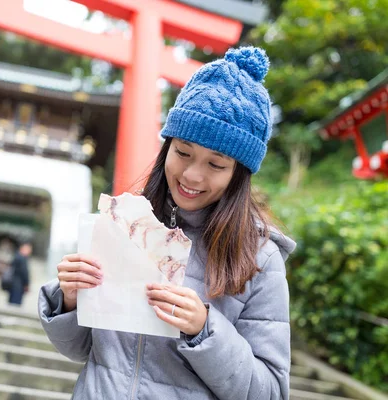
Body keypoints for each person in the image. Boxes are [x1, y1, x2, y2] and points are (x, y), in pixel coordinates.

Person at [38, 46, 297, 399]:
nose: (192, 175)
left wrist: (204, 329)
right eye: (183, 152)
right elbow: (81, 349)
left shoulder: (260, 259)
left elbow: (270, 392)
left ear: (239, 174)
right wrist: (69, 299)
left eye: (216, 165)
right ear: (167, 148)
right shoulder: (124, 221)